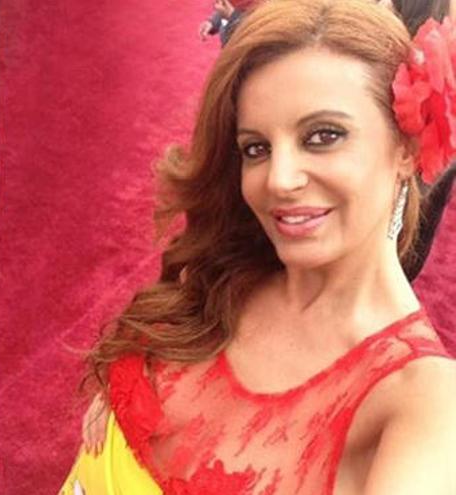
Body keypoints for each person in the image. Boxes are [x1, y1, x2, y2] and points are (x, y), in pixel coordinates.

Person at [61, 0, 456, 493]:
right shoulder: (223, 279)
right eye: (256, 148)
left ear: (405, 148)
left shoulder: (426, 404)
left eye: (323, 136)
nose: (279, 180)